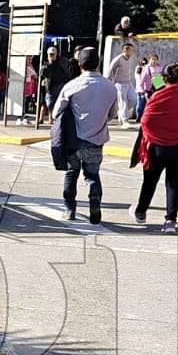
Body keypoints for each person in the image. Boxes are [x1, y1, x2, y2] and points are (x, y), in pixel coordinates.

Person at [48, 46, 116, 223]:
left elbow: (56, 113)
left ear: (80, 64)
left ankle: (69, 209)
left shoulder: (72, 86)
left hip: (73, 140)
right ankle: (95, 203)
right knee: (92, 175)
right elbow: (112, 114)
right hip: (96, 140)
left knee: (71, 173)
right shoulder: (110, 87)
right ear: (98, 63)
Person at [132, 63, 178, 234]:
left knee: (150, 181)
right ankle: (170, 220)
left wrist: (153, 136)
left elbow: (146, 120)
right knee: (174, 184)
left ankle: (141, 212)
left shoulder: (158, 95)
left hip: (158, 147)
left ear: (163, 78)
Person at [36, 44, 69, 128]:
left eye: (53, 54)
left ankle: (51, 118)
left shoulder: (60, 64)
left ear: (56, 55)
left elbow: (64, 75)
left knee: (51, 103)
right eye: (50, 54)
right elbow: (41, 75)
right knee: (44, 103)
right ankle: (41, 118)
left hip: (56, 87)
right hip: (46, 87)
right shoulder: (45, 65)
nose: (51, 56)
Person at [106, 41, 136, 123]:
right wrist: (108, 83)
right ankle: (124, 120)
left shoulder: (130, 58)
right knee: (123, 102)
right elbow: (110, 70)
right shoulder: (118, 59)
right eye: (131, 50)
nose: (132, 52)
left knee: (133, 99)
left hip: (128, 83)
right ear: (125, 50)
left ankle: (120, 112)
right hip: (119, 83)